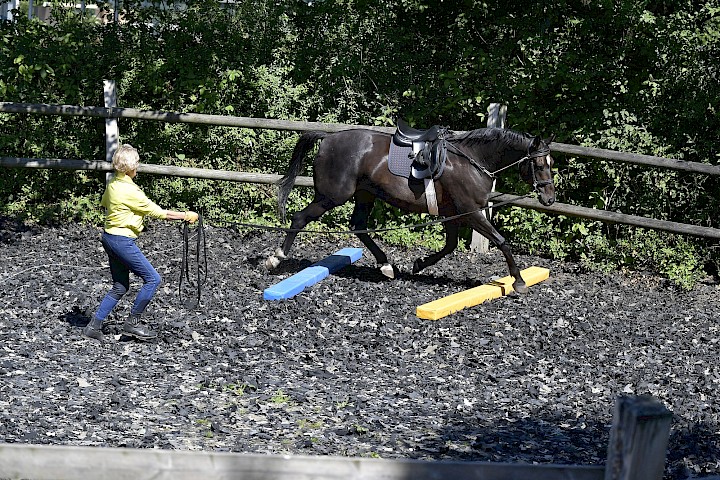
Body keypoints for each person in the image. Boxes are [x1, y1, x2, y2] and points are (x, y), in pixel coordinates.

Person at [83, 144, 199, 343]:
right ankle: (133, 322)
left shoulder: (112, 184)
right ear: (131, 167)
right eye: (137, 163)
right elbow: (159, 213)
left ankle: (93, 327)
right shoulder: (131, 191)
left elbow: (104, 203)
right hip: (122, 241)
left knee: (120, 286)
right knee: (153, 280)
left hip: (109, 238)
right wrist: (185, 215)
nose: (138, 166)